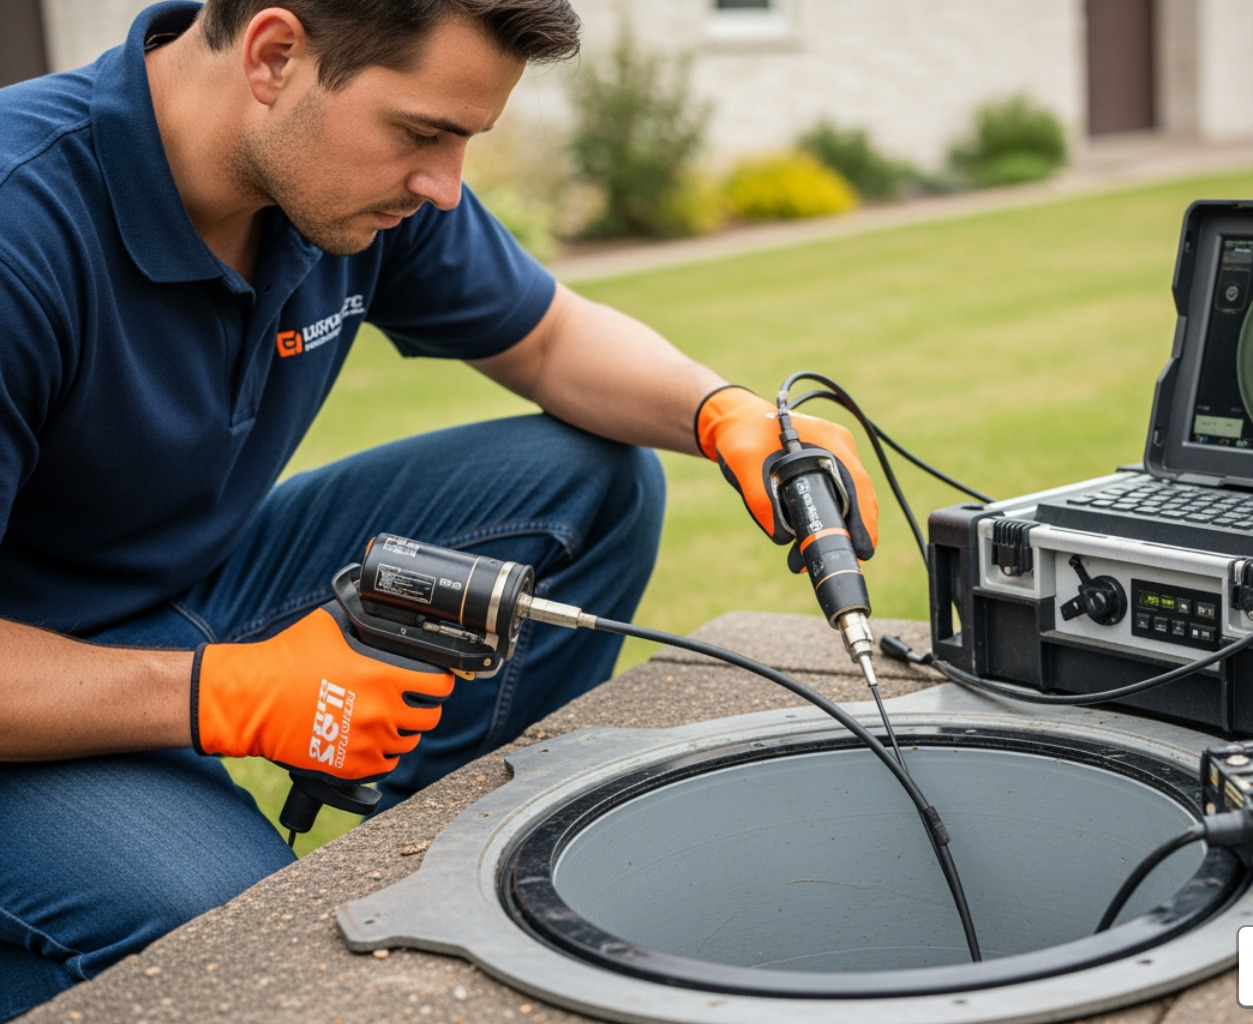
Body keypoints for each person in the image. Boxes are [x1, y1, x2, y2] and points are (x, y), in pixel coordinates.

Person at [0, 1, 878, 1016]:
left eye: (464, 139)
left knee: (588, 482)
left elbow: (548, 341)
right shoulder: (22, 228)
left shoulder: (340, 181)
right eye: (422, 133)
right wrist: (223, 694)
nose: (445, 185)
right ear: (274, 56)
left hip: (178, 588)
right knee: (235, 933)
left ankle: (449, 873)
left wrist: (721, 412)